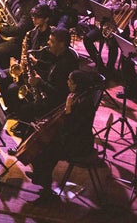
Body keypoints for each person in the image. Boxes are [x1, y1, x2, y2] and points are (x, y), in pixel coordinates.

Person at [27, 70, 100, 205]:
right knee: (45, 147)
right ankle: (40, 176)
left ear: (77, 85)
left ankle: (46, 191)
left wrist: (68, 108)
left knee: (46, 151)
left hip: (79, 145)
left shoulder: (84, 103)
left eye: (70, 81)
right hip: (74, 138)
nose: (67, 83)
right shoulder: (78, 96)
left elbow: (71, 127)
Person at [11, 28, 79, 137]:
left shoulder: (66, 64)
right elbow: (51, 67)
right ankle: (23, 123)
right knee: (15, 89)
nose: (48, 43)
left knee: (25, 108)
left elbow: (58, 93)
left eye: (52, 41)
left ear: (61, 44)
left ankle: (27, 133)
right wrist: (36, 62)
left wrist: (39, 82)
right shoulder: (60, 54)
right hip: (49, 90)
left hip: (56, 103)